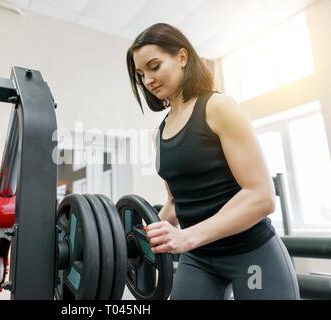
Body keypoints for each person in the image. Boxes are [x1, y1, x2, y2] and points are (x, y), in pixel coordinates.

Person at [126, 23, 299, 300]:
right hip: (199, 259)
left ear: (182, 58)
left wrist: (187, 237)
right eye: (141, 74)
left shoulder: (219, 107)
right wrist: (139, 235)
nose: (148, 80)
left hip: (250, 251)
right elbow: (174, 202)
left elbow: (261, 196)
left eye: (154, 66)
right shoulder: (160, 133)